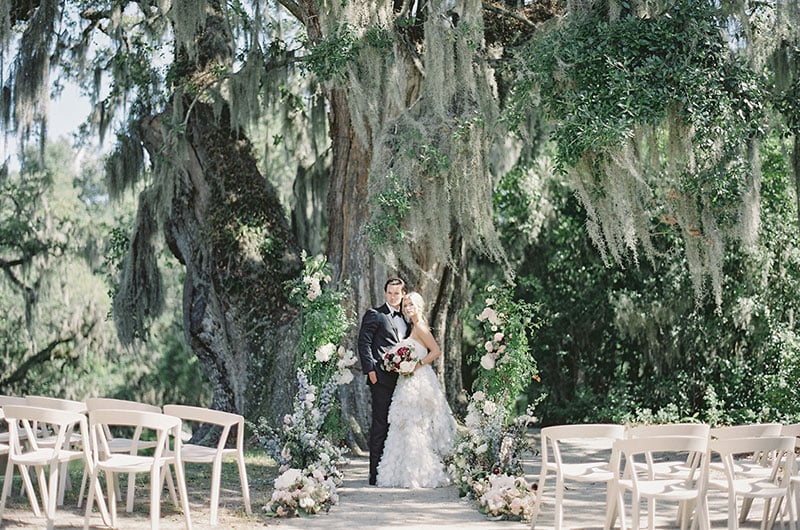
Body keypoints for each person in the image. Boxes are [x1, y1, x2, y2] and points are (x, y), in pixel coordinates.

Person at [376, 291, 457, 488]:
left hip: (419, 381)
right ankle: (404, 473)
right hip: (407, 380)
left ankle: (422, 473)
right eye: (405, 305)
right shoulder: (412, 327)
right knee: (404, 424)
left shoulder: (420, 326)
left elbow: (436, 350)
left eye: (411, 304)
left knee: (417, 424)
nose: (407, 308)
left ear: (419, 306)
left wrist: (416, 365)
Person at [357, 277, 409, 486]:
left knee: (399, 425)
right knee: (380, 424)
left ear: (403, 294)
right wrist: (370, 371)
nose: (393, 296)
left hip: (404, 381)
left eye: (397, 293)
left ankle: (394, 472)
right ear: (385, 293)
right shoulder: (375, 314)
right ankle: (374, 473)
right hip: (381, 379)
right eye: (390, 293)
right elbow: (364, 342)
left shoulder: (407, 318)